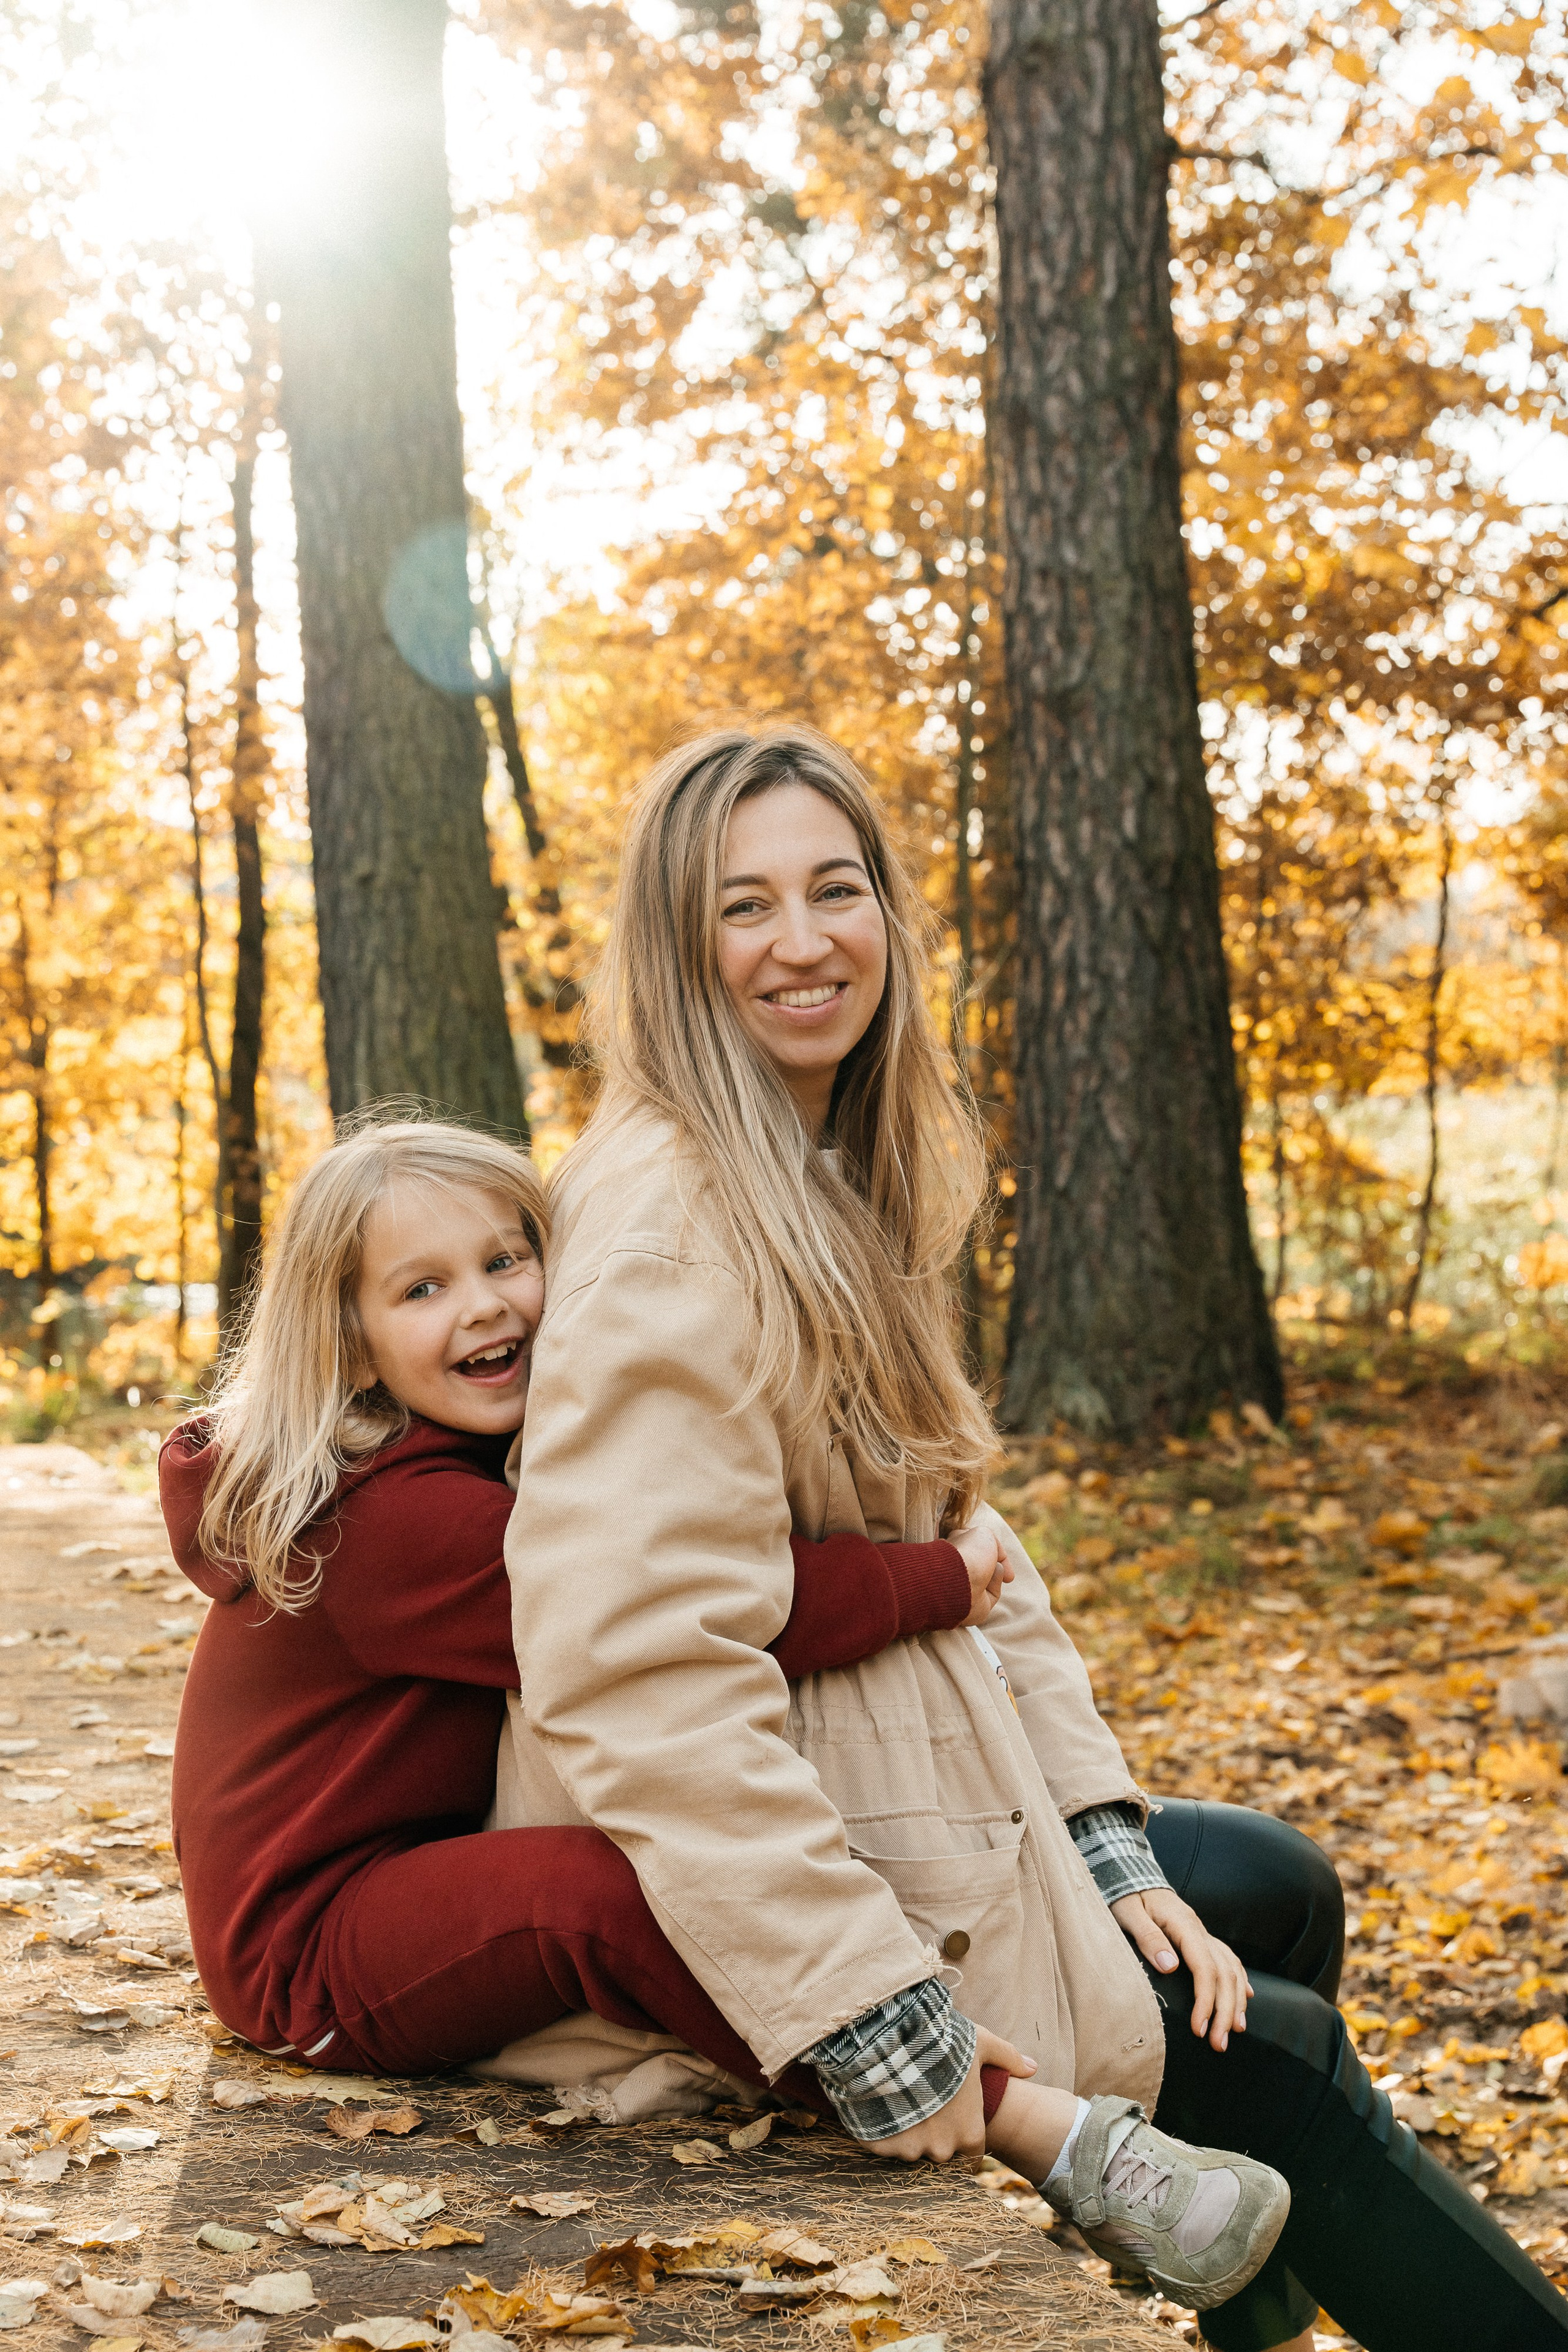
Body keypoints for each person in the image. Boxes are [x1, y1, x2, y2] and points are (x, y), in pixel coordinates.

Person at [494, 722, 1568, 2352]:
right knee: (1277, 2059)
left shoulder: (827, 1168)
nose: (801, 941)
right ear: (674, 947)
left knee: (1273, 1892)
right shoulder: (672, 1237)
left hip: (905, 1756)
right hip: (776, 1865)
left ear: (886, 914)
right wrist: (864, 2002)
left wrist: (1100, 1837)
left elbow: (968, 1537)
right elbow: (635, 1678)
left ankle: (1238, 2308)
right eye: (743, 907)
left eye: (835, 889)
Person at [159, 1117, 1011, 2093]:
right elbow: (675, 1607)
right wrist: (933, 1582)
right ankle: (923, 2087)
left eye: (504, 1261)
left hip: (406, 1867)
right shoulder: (391, 1522)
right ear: (352, 1348)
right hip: (307, 1948)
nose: (483, 1306)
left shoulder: (453, 1454)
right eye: (423, 1289)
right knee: (597, 1897)